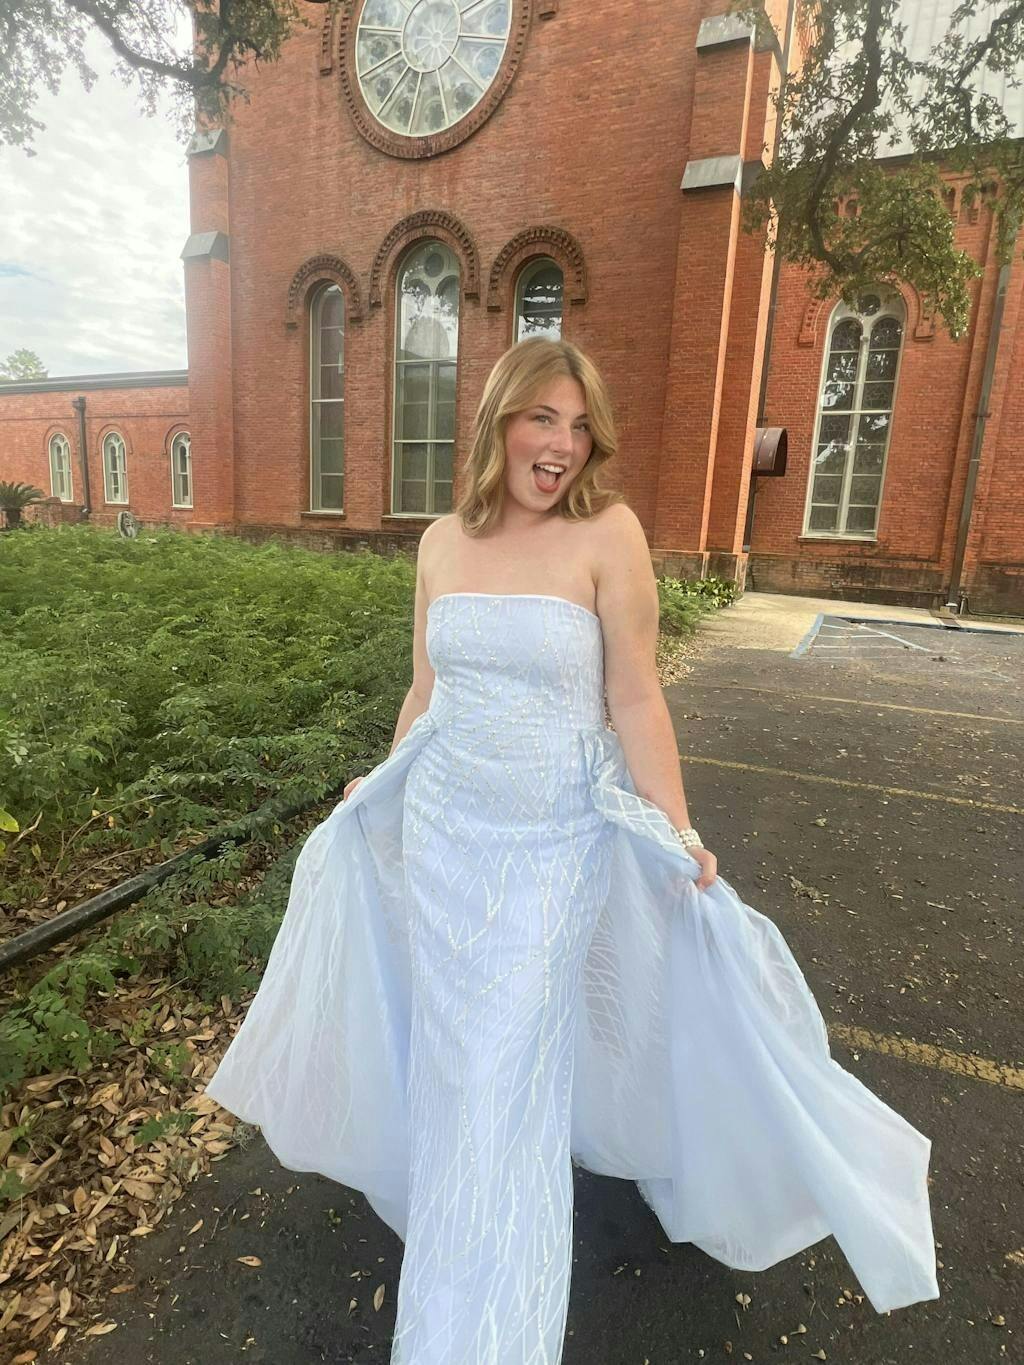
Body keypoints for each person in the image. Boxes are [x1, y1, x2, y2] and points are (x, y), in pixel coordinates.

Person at [204, 338, 940, 1363]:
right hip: (446, 836)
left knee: (500, 1067)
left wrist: (677, 828)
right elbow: (428, 689)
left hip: (553, 847)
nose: (560, 444)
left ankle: (483, 1329)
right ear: (497, 422)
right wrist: (383, 778)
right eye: (541, 418)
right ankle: (462, 1254)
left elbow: (633, 695)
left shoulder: (609, 533)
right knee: (461, 1068)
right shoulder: (440, 543)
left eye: (580, 425)